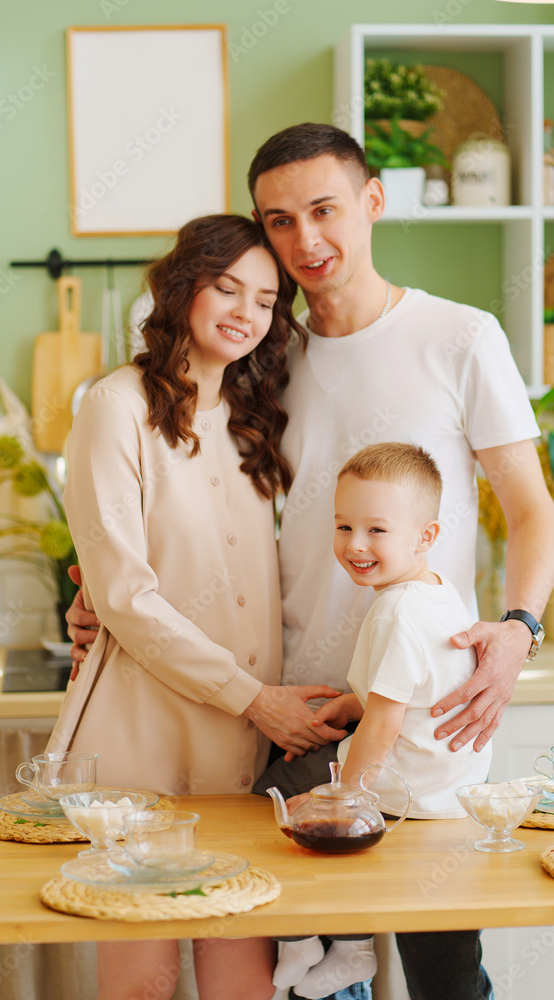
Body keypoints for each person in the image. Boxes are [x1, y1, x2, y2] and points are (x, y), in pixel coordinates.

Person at [69, 123, 554, 1000]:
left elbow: (532, 509)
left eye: (323, 210)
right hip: (285, 713)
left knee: (442, 969)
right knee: (311, 978)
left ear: (372, 202)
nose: (304, 241)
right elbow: (202, 509)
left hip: (420, 708)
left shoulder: (460, 335)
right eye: (279, 221)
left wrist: (519, 631)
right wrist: (96, 593)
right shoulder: (265, 357)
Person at [46, 213, 339, 1000]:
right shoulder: (112, 406)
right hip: (143, 742)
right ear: (183, 287)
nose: (246, 311)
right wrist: (257, 700)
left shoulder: (251, 418)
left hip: (244, 752)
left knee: (241, 983)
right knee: (142, 981)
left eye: (266, 298)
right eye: (226, 287)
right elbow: (124, 596)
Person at [272, 442, 493, 999]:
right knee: (448, 963)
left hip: (405, 798)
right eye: (344, 526)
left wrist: (344, 800)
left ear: (426, 537)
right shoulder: (439, 594)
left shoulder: (396, 610)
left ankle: (323, 942)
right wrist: (354, 703)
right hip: (452, 796)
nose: (355, 545)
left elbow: (385, 729)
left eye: (377, 530)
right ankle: (338, 944)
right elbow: (409, 692)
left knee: (278, 795)